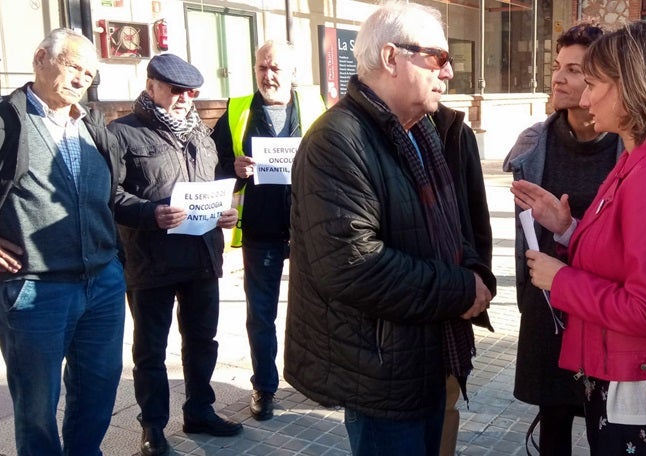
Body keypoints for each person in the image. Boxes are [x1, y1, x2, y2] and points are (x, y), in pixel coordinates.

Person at [282, 3, 496, 455]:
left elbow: (452, 224)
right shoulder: (337, 139)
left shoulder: (422, 130)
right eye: (438, 57)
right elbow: (352, 265)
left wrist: (476, 272)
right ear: (391, 57)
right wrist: (461, 289)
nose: (448, 72)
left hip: (427, 353)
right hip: (381, 372)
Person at [511, 20, 646, 456]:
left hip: (639, 378)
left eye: (592, 84)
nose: (584, 98)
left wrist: (561, 280)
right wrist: (567, 228)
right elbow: (628, 254)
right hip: (628, 366)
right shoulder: (643, 152)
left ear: (629, 86)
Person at [0, 28, 125, 455]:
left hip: (103, 285)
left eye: (89, 74)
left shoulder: (93, 125)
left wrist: (156, 212)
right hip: (34, 289)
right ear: (41, 58)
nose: (81, 80)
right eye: (73, 66)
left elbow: (113, 196)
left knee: (99, 391)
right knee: (37, 407)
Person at [110, 53, 242, 456]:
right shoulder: (122, 133)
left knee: (203, 341)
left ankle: (200, 410)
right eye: (176, 90)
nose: (185, 98)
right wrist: (150, 213)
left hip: (201, 256)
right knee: (150, 350)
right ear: (151, 86)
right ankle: (153, 426)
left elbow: (211, 183)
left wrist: (226, 210)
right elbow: (109, 195)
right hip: (151, 261)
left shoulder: (201, 133)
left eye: (192, 92)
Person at [503, 21, 621, 455]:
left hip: (604, 305)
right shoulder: (534, 143)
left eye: (574, 70)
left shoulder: (627, 146)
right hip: (547, 305)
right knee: (552, 420)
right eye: (557, 66)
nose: (558, 78)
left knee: (604, 422)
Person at [211, 40, 325, 422]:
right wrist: (233, 169)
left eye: (276, 67)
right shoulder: (237, 109)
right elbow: (213, 162)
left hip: (309, 229)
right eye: (262, 67)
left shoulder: (316, 107)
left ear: (293, 72)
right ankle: (264, 385)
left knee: (317, 309)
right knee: (260, 313)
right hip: (260, 229)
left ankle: (318, 381)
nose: (268, 75)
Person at [432, 101, 495, 456]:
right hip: (392, 323)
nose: (446, 75)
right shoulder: (356, 132)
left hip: (452, 307)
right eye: (434, 71)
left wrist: (478, 283)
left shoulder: (454, 131)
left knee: (445, 406)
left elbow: (476, 218)